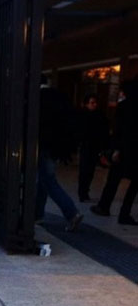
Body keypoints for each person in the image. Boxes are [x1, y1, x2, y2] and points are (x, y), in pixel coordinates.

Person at [36, 80, 83, 231]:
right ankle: (37, 214)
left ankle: (71, 213)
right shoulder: (60, 97)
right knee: (43, 179)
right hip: (56, 147)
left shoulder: (38, 99)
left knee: (47, 180)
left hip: (42, 144)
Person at [90, 80, 138, 225]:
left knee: (113, 179)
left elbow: (119, 129)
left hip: (123, 149)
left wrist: (116, 149)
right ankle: (125, 214)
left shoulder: (124, 106)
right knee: (134, 184)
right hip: (136, 151)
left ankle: (104, 206)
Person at [77, 93, 108, 202]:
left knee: (90, 171)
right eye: (92, 103)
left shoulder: (99, 115)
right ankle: (82, 192)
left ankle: (85, 191)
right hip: (86, 145)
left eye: (95, 103)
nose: (94, 105)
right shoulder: (83, 115)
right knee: (85, 170)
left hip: (95, 146)